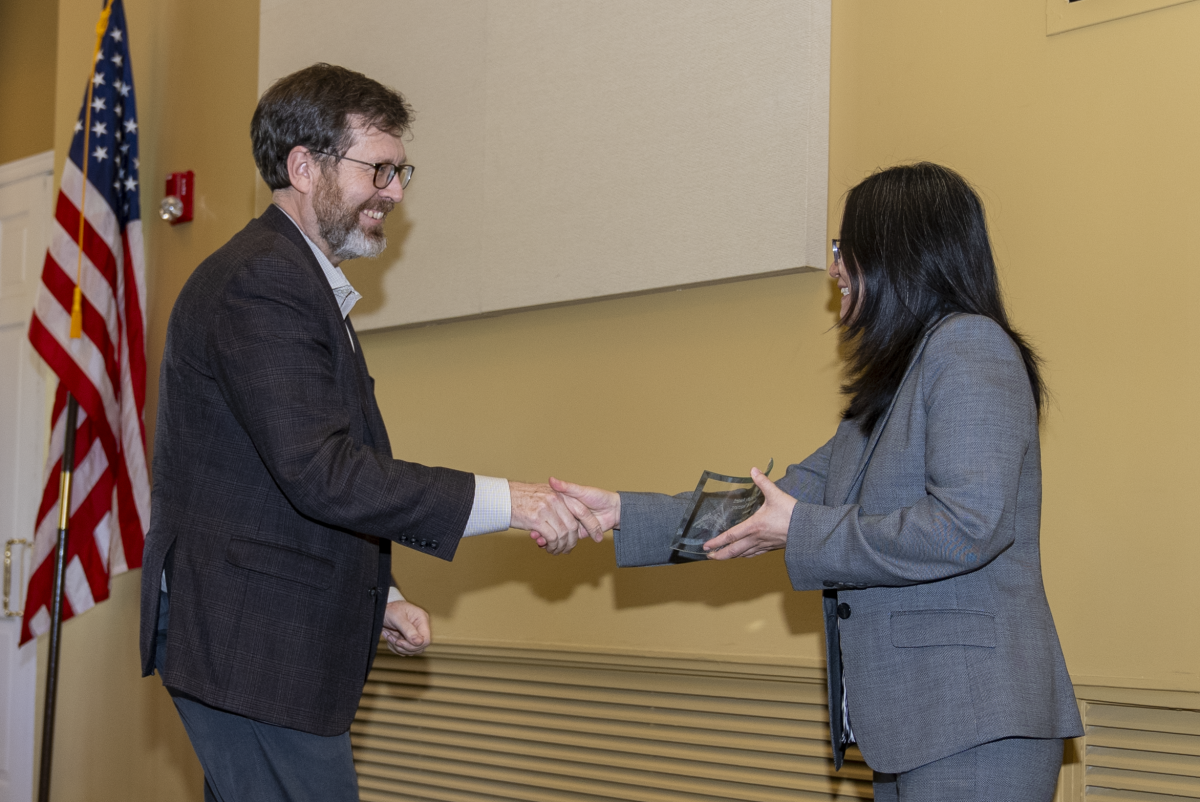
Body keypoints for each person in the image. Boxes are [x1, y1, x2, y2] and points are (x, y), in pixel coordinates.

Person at [139, 63, 599, 802]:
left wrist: (378, 596)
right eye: (377, 169)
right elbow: (321, 471)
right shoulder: (263, 280)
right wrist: (513, 501)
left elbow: (283, 481)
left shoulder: (298, 280)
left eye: (399, 170)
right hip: (252, 644)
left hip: (263, 643)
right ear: (303, 167)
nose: (394, 191)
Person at [551, 163, 1084, 801]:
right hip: (917, 724)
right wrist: (620, 512)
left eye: (841, 248)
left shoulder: (970, 347)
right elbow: (774, 504)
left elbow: (967, 527)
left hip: (973, 718)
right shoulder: (895, 384)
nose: (834, 269)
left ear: (895, 250)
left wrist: (801, 529)